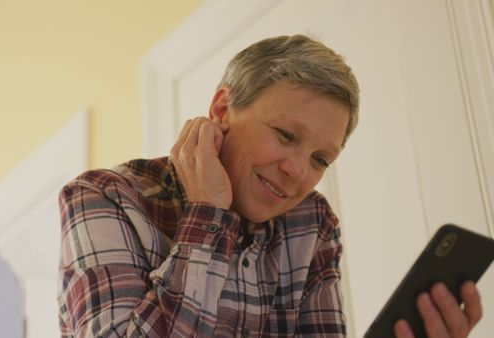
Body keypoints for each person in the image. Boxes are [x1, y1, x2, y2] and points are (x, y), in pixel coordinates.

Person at [57, 35, 482, 337]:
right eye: (285, 134)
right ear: (222, 108)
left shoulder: (310, 222)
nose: (299, 171)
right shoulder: (105, 197)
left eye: (320, 159)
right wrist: (209, 213)